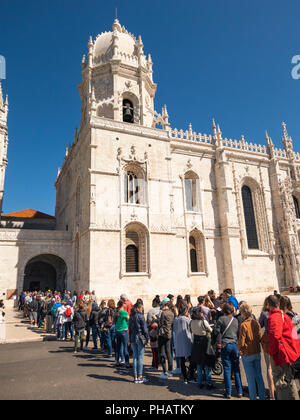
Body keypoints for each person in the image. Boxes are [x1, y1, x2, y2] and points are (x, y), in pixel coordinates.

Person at [266, 295, 300, 400]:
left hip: (281, 355)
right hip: (287, 352)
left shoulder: (275, 317)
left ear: (268, 305)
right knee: (288, 382)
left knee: (282, 382)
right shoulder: (282, 315)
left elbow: (275, 336)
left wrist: (271, 352)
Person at [213, 302, 243, 399]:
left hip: (225, 345)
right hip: (234, 345)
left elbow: (216, 332)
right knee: (237, 369)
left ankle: (228, 392)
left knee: (227, 369)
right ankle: (239, 391)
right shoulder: (235, 320)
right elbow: (238, 333)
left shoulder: (221, 319)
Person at [237, 303, 265, 400]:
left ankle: (253, 397)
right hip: (256, 351)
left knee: (250, 379)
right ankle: (262, 397)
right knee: (259, 376)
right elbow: (259, 337)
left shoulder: (243, 325)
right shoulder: (256, 323)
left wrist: (239, 348)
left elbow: (241, 341)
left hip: (247, 353)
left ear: (243, 313)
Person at [190, 306, 215, 389]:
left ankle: (200, 382)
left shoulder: (191, 322)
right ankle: (209, 383)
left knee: (199, 364)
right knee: (207, 364)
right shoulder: (203, 322)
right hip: (204, 343)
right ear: (199, 313)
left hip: (196, 343)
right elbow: (211, 331)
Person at [259, 298, 275, 400]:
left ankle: (272, 395)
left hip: (268, 341)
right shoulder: (279, 313)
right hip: (278, 341)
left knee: (269, 368)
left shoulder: (264, 314)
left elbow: (259, 325)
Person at [129, 302, 150, 383]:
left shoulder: (131, 317)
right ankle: (140, 376)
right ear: (138, 308)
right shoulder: (141, 316)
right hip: (140, 338)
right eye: (141, 308)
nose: (142, 309)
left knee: (135, 357)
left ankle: (135, 377)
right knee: (140, 358)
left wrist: (130, 340)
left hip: (133, 338)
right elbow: (145, 329)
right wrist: (148, 338)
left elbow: (130, 329)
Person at [173, 304, 193, 384]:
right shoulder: (187, 319)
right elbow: (191, 328)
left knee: (182, 360)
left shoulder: (176, 319)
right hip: (187, 340)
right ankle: (190, 375)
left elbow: (174, 329)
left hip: (179, 341)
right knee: (191, 359)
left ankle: (185, 377)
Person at [158, 298, 174, 379]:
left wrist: (156, 318)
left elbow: (160, 324)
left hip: (162, 334)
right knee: (169, 352)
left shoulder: (163, 313)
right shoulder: (171, 313)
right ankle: (170, 370)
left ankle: (164, 371)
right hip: (169, 334)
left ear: (164, 305)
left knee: (162, 352)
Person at [115, 300, 130, 368]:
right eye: (124, 303)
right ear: (122, 304)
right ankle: (127, 363)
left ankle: (117, 361)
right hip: (123, 330)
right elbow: (128, 319)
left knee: (118, 346)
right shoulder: (124, 312)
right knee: (125, 347)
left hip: (117, 330)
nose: (125, 304)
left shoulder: (117, 311)